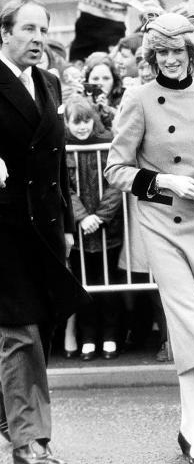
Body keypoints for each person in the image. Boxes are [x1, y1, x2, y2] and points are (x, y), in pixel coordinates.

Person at [105, 12, 194, 464]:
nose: (171, 60)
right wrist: (167, 182)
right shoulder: (139, 99)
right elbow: (116, 169)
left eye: (178, 52)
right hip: (161, 223)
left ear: (191, 54)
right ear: (152, 56)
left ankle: (187, 422)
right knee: (188, 324)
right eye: (161, 52)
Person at [0, 0, 89, 464]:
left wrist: (68, 226)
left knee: (45, 325)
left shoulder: (49, 81)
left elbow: (58, 163)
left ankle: (10, 413)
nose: (38, 38)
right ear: (4, 33)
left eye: (43, 29)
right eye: (28, 29)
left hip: (47, 226)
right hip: (5, 225)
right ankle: (30, 441)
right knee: (21, 331)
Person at [65, 96, 123, 360]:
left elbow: (117, 181)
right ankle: (88, 337)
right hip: (79, 233)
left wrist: (100, 216)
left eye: (86, 120)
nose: (82, 127)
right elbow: (65, 186)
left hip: (107, 230)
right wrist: (81, 217)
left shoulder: (108, 142)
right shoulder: (62, 147)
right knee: (84, 287)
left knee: (109, 284)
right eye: (76, 122)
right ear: (66, 123)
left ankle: (110, 335)